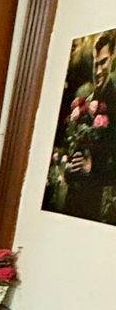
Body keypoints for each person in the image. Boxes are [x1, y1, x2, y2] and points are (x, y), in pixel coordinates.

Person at [49, 29, 115, 222]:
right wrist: (69, 163)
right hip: (73, 199)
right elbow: (70, 145)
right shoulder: (85, 99)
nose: (98, 71)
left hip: (99, 205)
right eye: (96, 64)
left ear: (112, 59)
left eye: (104, 62)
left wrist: (92, 168)